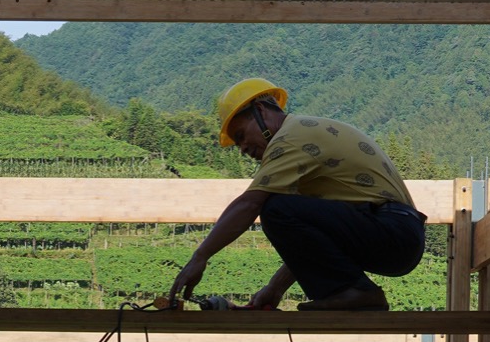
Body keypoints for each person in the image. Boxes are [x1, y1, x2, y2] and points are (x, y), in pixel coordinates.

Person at [168, 77, 426, 314]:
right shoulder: (303, 137)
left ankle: (355, 292)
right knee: (283, 209)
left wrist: (199, 257)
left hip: (392, 233)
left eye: (241, 136)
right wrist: (275, 288)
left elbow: (249, 203)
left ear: (260, 111)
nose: (243, 148)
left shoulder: (290, 138)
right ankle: (354, 291)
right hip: (397, 236)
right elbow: (314, 237)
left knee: (275, 208)